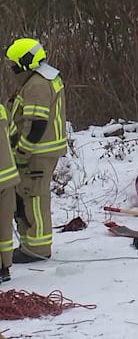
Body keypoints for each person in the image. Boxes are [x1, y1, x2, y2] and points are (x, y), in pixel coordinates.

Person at [5, 38, 66, 264]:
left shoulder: (37, 85)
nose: (11, 69)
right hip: (40, 151)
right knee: (27, 195)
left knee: (35, 197)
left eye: (14, 64)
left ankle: (38, 248)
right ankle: (30, 242)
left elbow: (36, 125)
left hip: (37, 153)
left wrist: (22, 154)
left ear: (25, 63)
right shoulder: (42, 78)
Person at [0, 104, 21, 279]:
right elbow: (14, 136)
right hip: (7, 178)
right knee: (5, 225)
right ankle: (5, 267)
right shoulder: (1, 109)